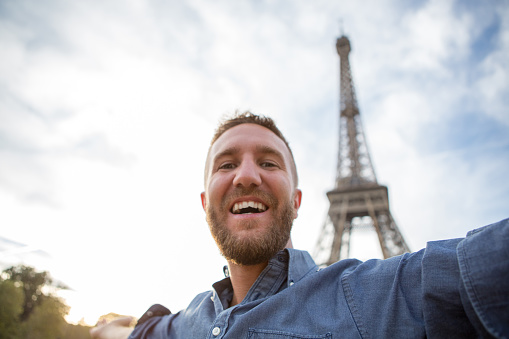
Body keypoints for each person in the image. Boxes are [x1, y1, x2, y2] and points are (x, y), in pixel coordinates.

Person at [91, 111, 509, 339]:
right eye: (227, 164)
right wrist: (110, 327)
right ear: (205, 203)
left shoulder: (371, 297)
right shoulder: (190, 321)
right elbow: (140, 333)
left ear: (297, 200)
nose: (247, 176)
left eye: (269, 162)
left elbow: (476, 270)